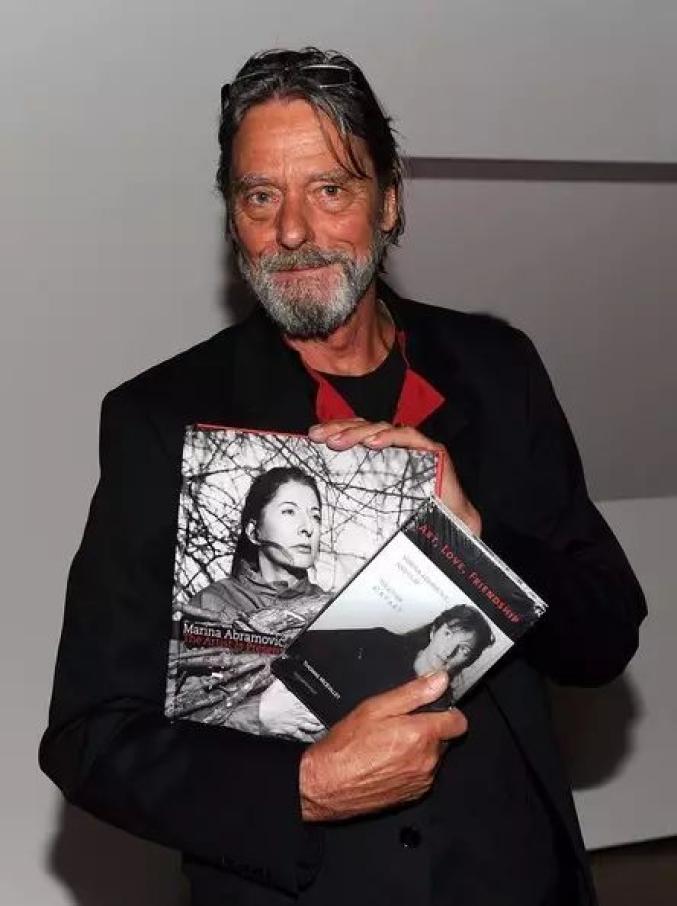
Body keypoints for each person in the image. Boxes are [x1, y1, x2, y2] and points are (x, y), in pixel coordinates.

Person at [40, 47, 646, 906]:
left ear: (388, 201)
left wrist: (478, 536)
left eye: (330, 190)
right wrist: (301, 788)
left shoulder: (497, 369)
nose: (292, 232)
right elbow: (89, 738)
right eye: (260, 196)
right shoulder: (162, 421)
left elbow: (604, 638)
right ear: (232, 218)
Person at [171, 466, 329, 738]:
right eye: (289, 511)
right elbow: (177, 712)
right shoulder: (212, 603)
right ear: (254, 531)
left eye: (315, 516)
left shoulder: (331, 612)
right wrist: (258, 716)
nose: (308, 527)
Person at [280, 604, 497, 725]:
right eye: (448, 634)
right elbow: (302, 645)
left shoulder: (437, 714)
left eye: (464, 649)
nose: (449, 652)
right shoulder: (381, 641)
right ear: (434, 631)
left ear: (469, 660)